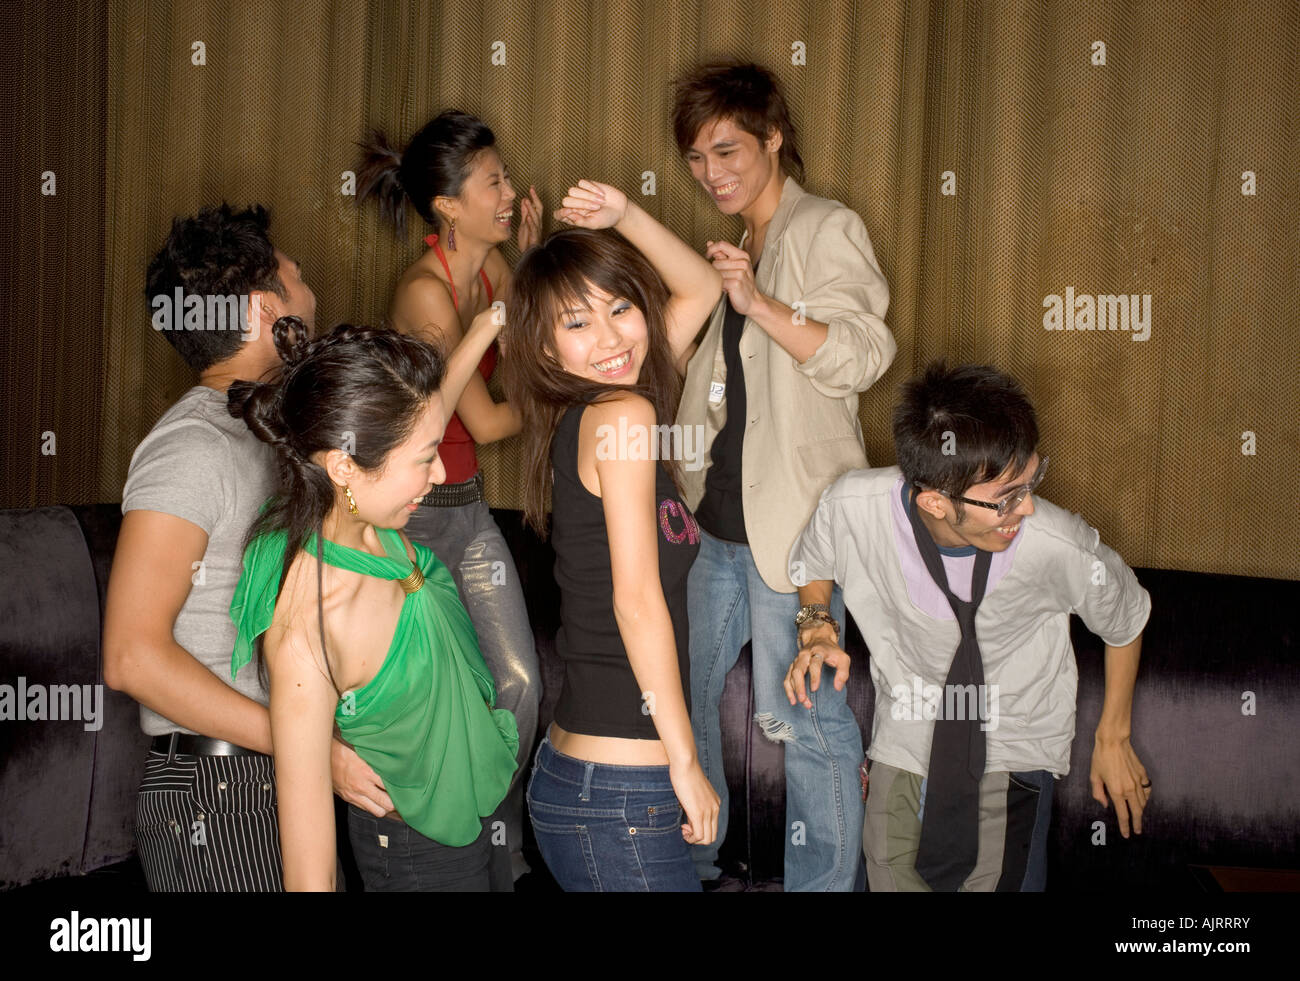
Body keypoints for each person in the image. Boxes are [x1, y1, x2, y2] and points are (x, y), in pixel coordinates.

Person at [103, 203, 389, 891]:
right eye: (300, 276)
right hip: (218, 787)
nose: (312, 291)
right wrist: (311, 749)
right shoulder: (190, 445)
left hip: (269, 769)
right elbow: (131, 655)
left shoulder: (267, 432)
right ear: (267, 309)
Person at [784, 362, 1154, 891]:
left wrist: (1113, 735)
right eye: (1005, 497)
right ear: (933, 499)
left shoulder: (1058, 542)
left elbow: (1127, 617)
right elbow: (814, 562)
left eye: (1031, 480)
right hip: (906, 735)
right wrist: (816, 626)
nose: (1024, 508)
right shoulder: (852, 506)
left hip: (1014, 739)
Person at [670, 61, 897, 890]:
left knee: (809, 725)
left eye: (727, 150)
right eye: (696, 159)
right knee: (684, 705)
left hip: (797, 542)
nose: (711, 172)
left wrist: (762, 303)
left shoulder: (824, 228)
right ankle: (692, 861)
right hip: (713, 533)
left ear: (773, 138)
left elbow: (864, 357)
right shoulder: (736, 244)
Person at [226, 311, 518, 892]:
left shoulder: (363, 516)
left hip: (475, 813)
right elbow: (307, 856)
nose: (438, 473)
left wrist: (493, 320)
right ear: (344, 467)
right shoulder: (309, 618)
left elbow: (429, 408)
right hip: (416, 848)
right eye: (424, 458)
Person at [502, 180, 722, 890]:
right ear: (541, 343)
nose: (610, 339)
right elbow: (636, 600)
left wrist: (624, 214)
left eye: (621, 308)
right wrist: (686, 759)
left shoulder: (609, 405)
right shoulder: (621, 415)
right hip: (621, 789)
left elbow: (702, 287)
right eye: (577, 323)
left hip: (595, 780)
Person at [357, 111, 542, 883]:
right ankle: (451, 840)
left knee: (519, 684)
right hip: (417, 518)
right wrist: (571, 384)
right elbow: (492, 419)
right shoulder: (428, 296)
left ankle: (499, 842)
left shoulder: (492, 276)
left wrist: (529, 265)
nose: (508, 193)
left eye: (504, 176)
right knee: (445, 693)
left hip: (468, 508)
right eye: (491, 182)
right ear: (447, 207)